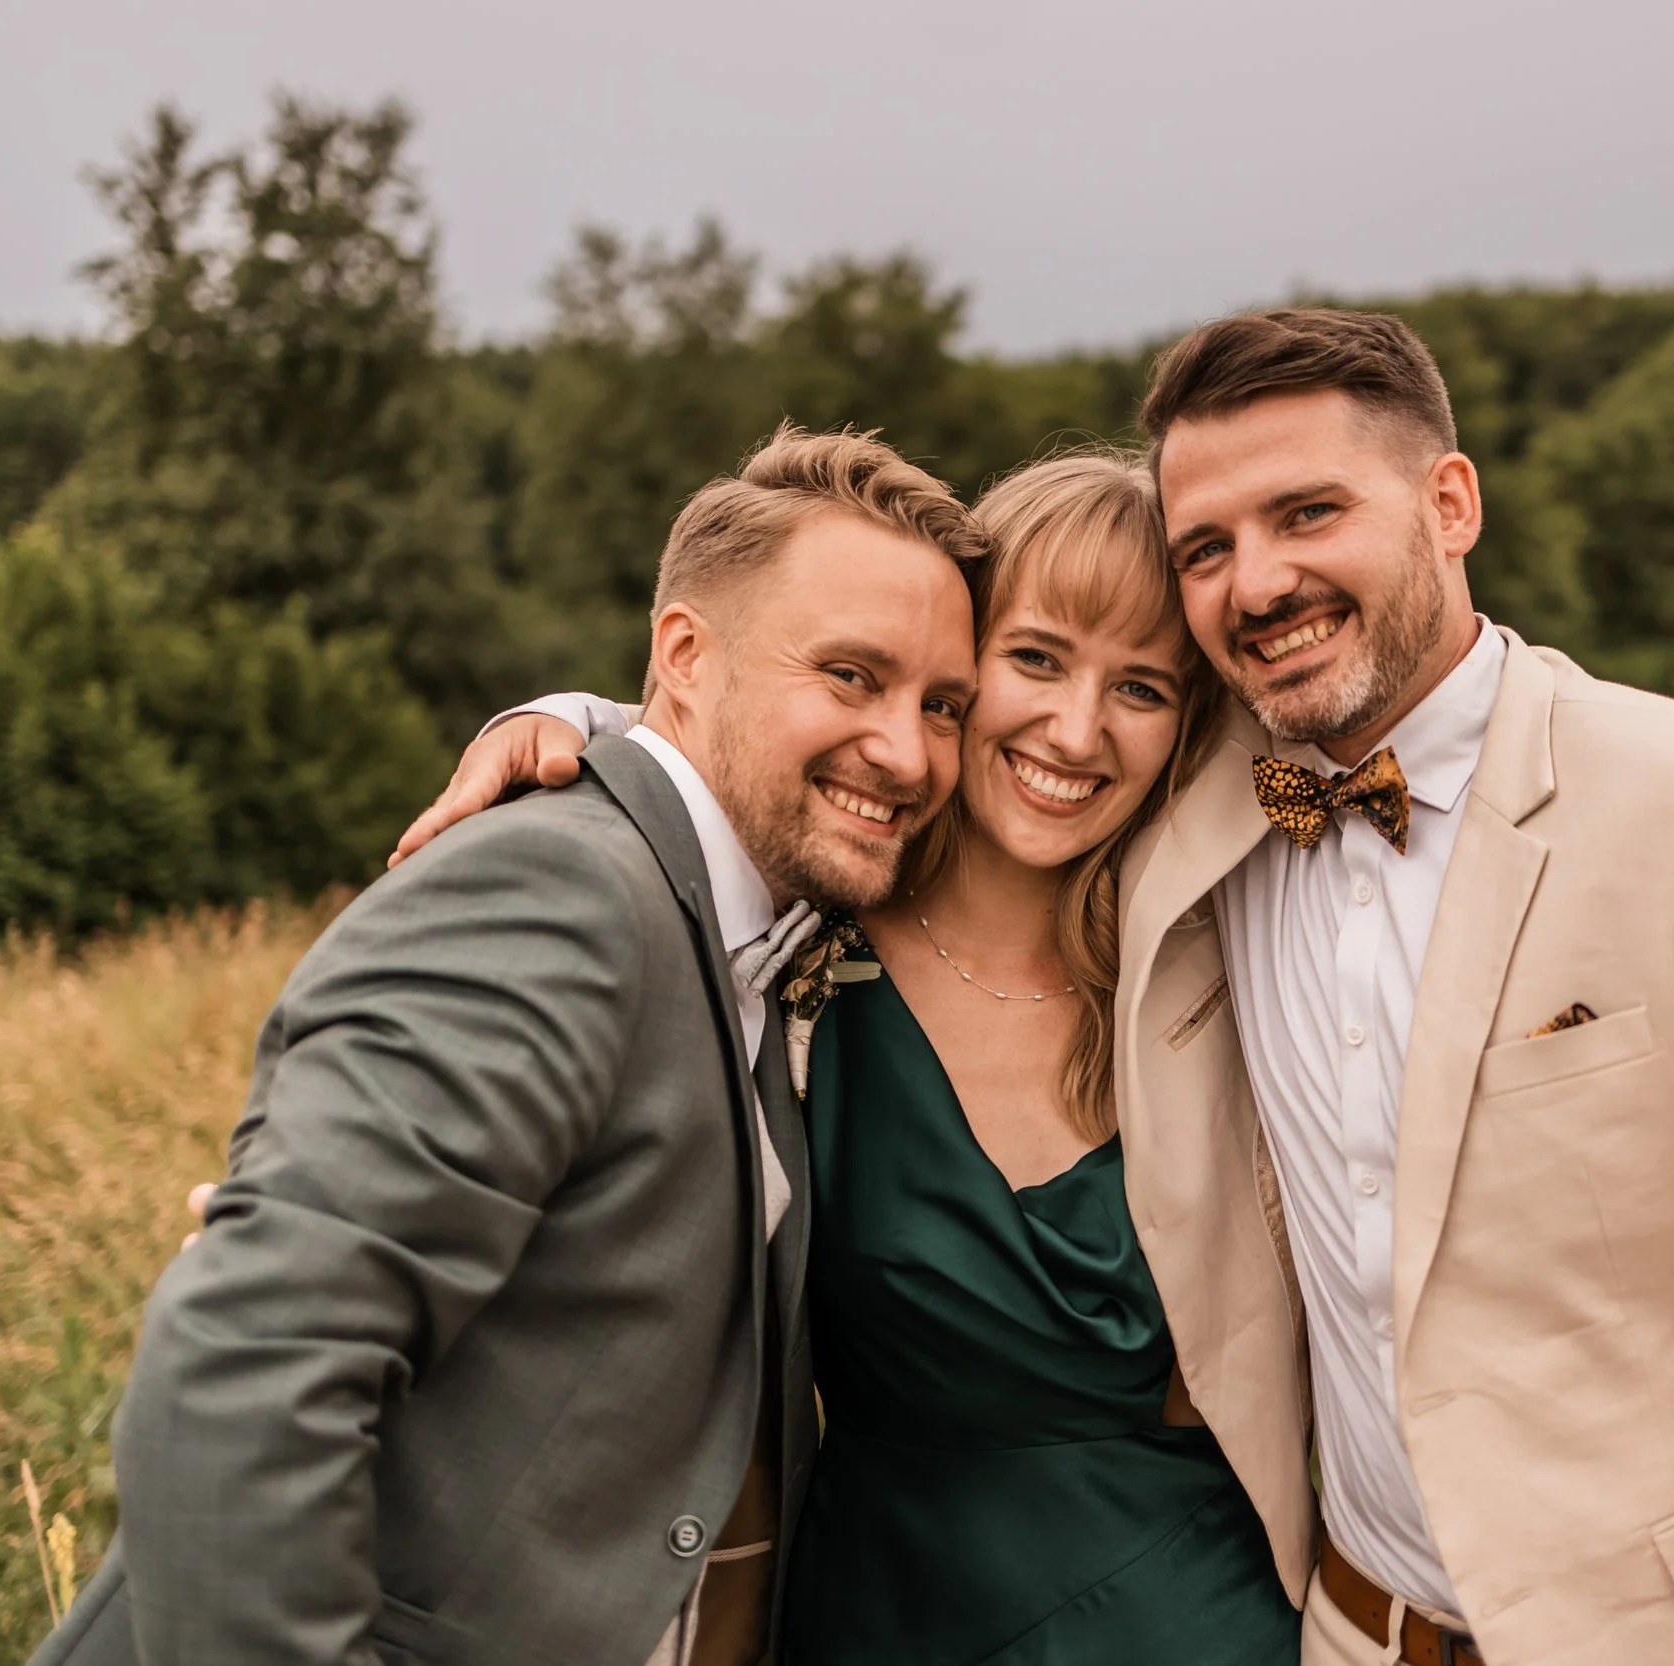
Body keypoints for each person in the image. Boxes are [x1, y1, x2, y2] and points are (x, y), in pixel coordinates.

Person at [429, 309, 1674, 1666]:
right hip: (1334, 1623)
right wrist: (597, 731)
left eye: (1311, 511)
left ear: (1451, 501)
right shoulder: (1179, 837)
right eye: (1211, 549)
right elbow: (812, 727)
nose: (1260, 580)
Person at [31, 426, 987, 1666]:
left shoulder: (754, 916)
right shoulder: (557, 892)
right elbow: (245, 1368)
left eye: (943, 704)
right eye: (852, 676)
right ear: (685, 658)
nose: (908, 752)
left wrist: (567, 711)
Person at [465, 452, 1307, 1665]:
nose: (1076, 730)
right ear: (957, 671)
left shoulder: (1221, 965)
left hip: (1192, 1613)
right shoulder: (793, 943)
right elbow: (729, 745)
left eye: (1142, 686)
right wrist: (576, 724)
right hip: (879, 1609)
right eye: (1034, 659)